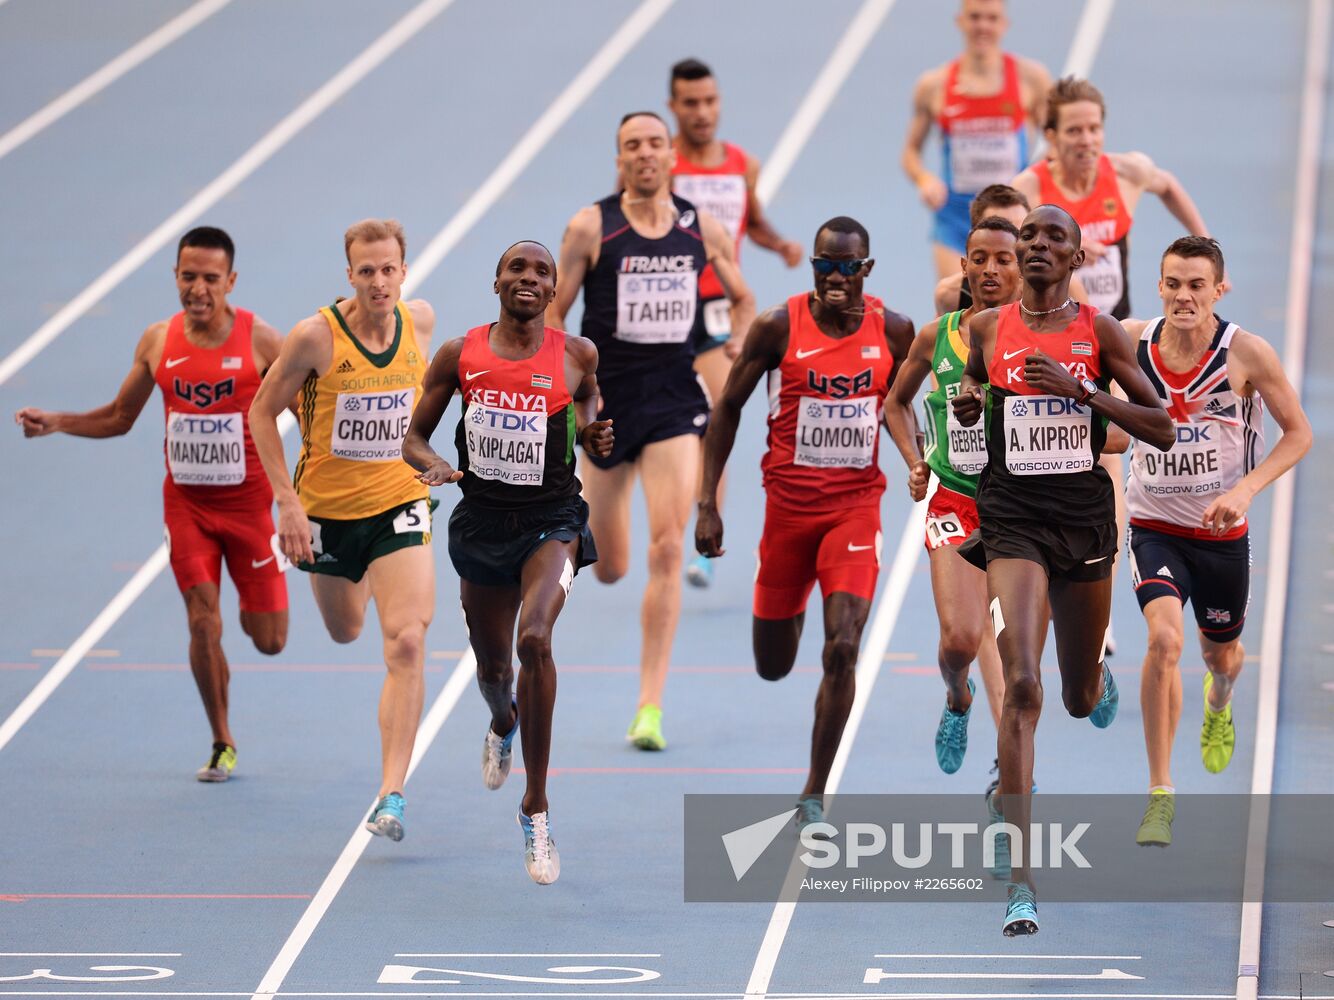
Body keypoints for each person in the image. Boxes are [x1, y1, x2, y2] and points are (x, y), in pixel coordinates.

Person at [951, 205, 1174, 935]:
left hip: (1082, 516)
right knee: (1022, 682)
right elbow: (981, 415)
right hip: (1012, 514)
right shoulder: (985, 330)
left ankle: (1097, 678)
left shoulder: (1099, 331)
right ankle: (1021, 879)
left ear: (1076, 258)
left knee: (1075, 698)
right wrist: (967, 418)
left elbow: (1161, 426)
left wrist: (1080, 392)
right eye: (1030, 238)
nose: (1038, 247)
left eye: (1054, 239)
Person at [16, 227, 287, 782]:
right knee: (202, 622)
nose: (199, 288)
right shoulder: (158, 341)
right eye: (189, 277)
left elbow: (311, 413)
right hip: (186, 508)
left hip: (250, 511)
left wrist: (301, 494)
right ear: (176, 277)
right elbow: (120, 417)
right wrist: (58, 423)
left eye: (211, 278)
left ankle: (246, 603)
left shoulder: (261, 341)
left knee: (270, 640)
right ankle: (221, 739)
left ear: (230, 281)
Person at [401, 241, 613, 884]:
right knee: (495, 670)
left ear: (553, 292)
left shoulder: (577, 356)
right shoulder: (459, 355)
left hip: (552, 521)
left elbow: (587, 411)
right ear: (497, 281)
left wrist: (596, 433)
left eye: (541, 272)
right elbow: (414, 435)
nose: (528, 278)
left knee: (535, 640)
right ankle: (502, 721)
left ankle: (536, 805)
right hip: (483, 524)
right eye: (516, 268)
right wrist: (431, 464)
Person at [696, 216, 914, 830]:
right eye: (824, 265)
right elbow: (728, 408)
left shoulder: (893, 330)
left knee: (843, 645)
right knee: (772, 664)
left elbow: (902, 406)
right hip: (787, 513)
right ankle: (786, 603)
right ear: (812, 267)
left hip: (854, 507)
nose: (835, 277)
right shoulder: (776, 325)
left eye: (848, 266)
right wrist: (707, 502)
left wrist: (916, 460)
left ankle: (814, 790)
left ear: (866, 270)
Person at [548, 111, 754, 751]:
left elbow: (743, 299)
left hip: (672, 402)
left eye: (654, 144)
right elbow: (554, 312)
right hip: (606, 406)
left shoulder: (701, 227)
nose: (645, 154)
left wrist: (735, 348)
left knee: (668, 548)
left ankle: (649, 706)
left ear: (671, 157)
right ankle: (606, 550)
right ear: (620, 160)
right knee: (609, 565)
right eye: (632, 145)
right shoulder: (592, 226)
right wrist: (567, 397)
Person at [1011, 75, 1219, 655]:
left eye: (1095, 128)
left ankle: (1095, 615)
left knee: (1108, 465)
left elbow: (1170, 184)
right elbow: (1015, 251)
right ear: (1050, 136)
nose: (1087, 139)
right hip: (1053, 337)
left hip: (1111, 338)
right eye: (1074, 130)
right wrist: (1067, 258)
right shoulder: (1031, 186)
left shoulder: (1125, 173)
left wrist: (1203, 242)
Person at [1115, 238, 1310, 848]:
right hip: (1153, 528)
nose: (1183, 296)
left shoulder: (1246, 354)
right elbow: (1104, 422)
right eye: (1173, 283)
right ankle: (1160, 793)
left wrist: (1246, 491)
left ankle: (1220, 701)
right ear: (1159, 286)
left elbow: (1298, 434)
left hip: (1222, 534)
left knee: (1219, 656)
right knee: (1164, 641)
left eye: (1196, 285)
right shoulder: (1129, 341)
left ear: (1218, 290)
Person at [249, 219, 435, 842]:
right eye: (366, 271)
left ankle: (391, 794)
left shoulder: (422, 324)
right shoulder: (313, 338)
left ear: (403, 272)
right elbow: (260, 411)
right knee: (344, 629)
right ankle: (362, 582)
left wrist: (432, 458)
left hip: (399, 504)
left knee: (407, 641)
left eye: (389, 270)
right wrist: (287, 504)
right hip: (324, 516)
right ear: (349, 275)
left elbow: (425, 402)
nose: (379, 282)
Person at [884, 217, 1021, 783]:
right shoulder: (936, 336)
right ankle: (958, 695)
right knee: (961, 640)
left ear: (1022, 267)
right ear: (963, 266)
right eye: (979, 258)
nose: (990, 269)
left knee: (1024, 659)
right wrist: (915, 460)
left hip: (1023, 506)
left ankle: (1088, 669)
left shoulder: (1043, 339)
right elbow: (896, 404)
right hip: (954, 500)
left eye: (1003, 259)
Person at [666, 57, 804, 589]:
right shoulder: (662, 162)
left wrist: (781, 244)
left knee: (716, 415)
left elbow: (755, 220)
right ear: (674, 107)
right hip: (663, 312)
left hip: (720, 312)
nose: (702, 112)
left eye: (709, 101)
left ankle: (702, 537)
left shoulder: (742, 165)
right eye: (691, 103)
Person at [902, 0, 1051, 280]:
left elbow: (1056, 141)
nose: (983, 26)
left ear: (1004, 24)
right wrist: (924, 179)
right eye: (975, 17)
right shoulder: (934, 84)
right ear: (960, 21)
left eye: (992, 18)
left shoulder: (1030, 79)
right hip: (955, 218)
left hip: (1012, 218)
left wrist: (1033, 179)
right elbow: (910, 152)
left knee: (1013, 308)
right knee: (955, 305)